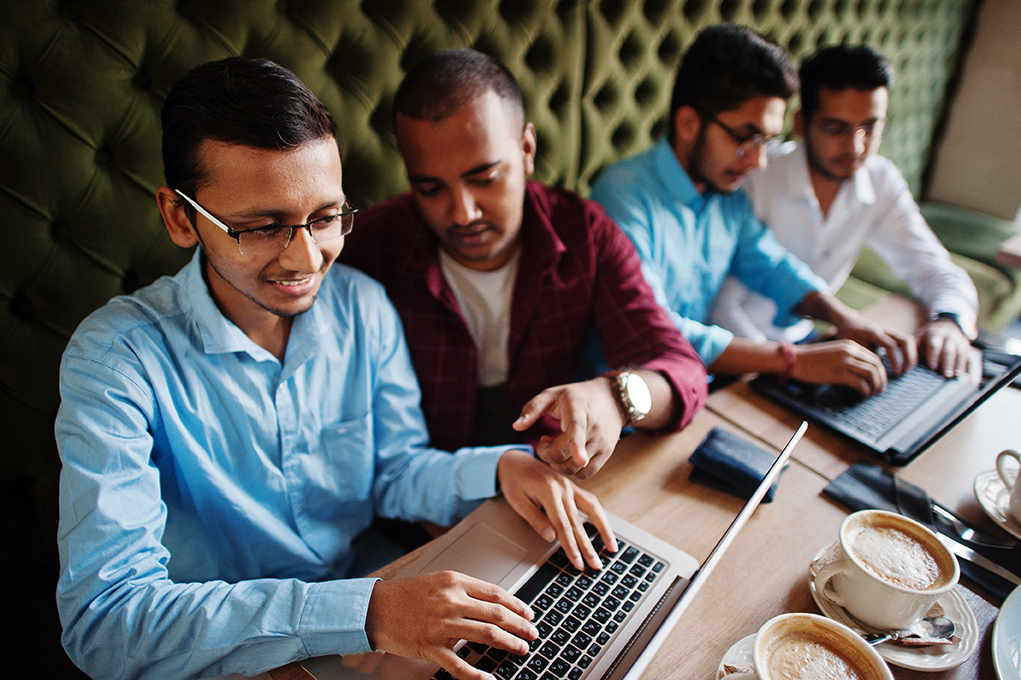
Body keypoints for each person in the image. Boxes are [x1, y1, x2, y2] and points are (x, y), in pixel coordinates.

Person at [55, 56, 618, 680]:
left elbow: (395, 470)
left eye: (326, 218)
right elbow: (105, 621)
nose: (305, 258)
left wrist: (501, 466)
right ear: (180, 217)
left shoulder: (363, 306)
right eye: (262, 228)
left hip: (384, 602)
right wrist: (365, 611)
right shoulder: (115, 359)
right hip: (237, 655)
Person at [339, 49, 707, 479]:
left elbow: (683, 369)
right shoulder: (369, 249)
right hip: (428, 502)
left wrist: (616, 397)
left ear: (527, 148)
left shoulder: (584, 234)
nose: (463, 213)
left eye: (485, 178)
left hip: (559, 482)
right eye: (431, 189)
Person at [590, 24, 917, 396]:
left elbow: (772, 266)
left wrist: (843, 317)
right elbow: (654, 327)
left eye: (768, 140)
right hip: (618, 402)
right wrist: (794, 361)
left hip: (694, 385)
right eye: (747, 137)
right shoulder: (622, 198)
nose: (760, 160)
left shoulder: (726, 195)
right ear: (688, 123)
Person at [709, 44, 978, 377]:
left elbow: (937, 270)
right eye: (835, 128)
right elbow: (719, 306)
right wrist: (783, 368)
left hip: (806, 344)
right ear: (801, 124)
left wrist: (951, 323)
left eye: (869, 127)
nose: (855, 147)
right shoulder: (754, 177)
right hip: (735, 355)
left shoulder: (881, 181)